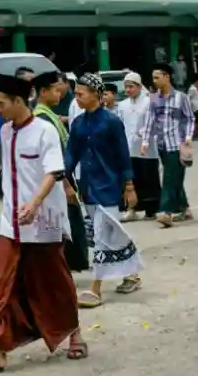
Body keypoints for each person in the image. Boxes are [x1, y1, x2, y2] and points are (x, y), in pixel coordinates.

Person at [0, 74, 86, 371]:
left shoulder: (45, 131)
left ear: (19, 100)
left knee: (53, 283)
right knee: (4, 283)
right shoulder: (5, 132)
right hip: (11, 223)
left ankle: (74, 333)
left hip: (43, 221)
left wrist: (34, 204)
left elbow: (53, 172)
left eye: (1, 104)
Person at [64, 73, 143, 308]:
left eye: (81, 93)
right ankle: (132, 273)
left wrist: (129, 187)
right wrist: (61, 177)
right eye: (76, 93)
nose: (76, 97)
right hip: (87, 187)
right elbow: (71, 154)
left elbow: (122, 156)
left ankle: (95, 288)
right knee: (111, 234)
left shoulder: (111, 122)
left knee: (100, 236)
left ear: (95, 95)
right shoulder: (78, 123)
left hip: (109, 187)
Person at [31, 71, 88, 274]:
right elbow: (53, 159)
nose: (60, 94)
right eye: (55, 90)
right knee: (62, 226)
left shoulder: (50, 114)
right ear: (43, 92)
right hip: (56, 181)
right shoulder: (42, 118)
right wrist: (66, 185)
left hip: (62, 178)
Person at [140, 63, 195, 227]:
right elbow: (150, 120)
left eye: (157, 77)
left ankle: (166, 211)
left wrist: (188, 136)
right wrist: (145, 141)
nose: (154, 81)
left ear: (167, 77)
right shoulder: (154, 98)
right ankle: (185, 208)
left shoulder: (181, 97)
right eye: (153, 78)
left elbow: (190, 118)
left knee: (169, 178)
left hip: (177, 145)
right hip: (162, 145)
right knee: (175, 178)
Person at [117, 72, 159, 222]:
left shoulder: (149, 102)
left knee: (148, 178)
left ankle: (151, 210)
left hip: (146, 148)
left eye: (131, 86)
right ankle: (131, 209)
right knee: (131, 181)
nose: (128, 90)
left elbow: (155, 122)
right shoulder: (122, 105)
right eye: (126, 87)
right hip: (128, 148)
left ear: (139, 87)